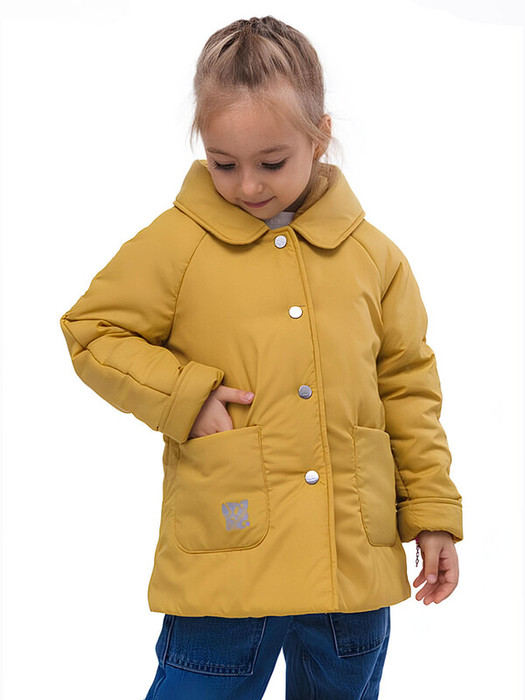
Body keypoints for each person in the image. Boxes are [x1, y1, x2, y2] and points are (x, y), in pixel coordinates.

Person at [59, 15, 463, 700]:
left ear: (319, 136)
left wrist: (429, 512)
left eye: (271, 163)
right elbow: (92, 330)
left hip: (350, 565)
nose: (247, 185)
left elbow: (407, 388)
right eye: (224, 163)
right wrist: (185, 396)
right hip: (228, 563)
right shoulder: (179, 244)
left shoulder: (374, 258)